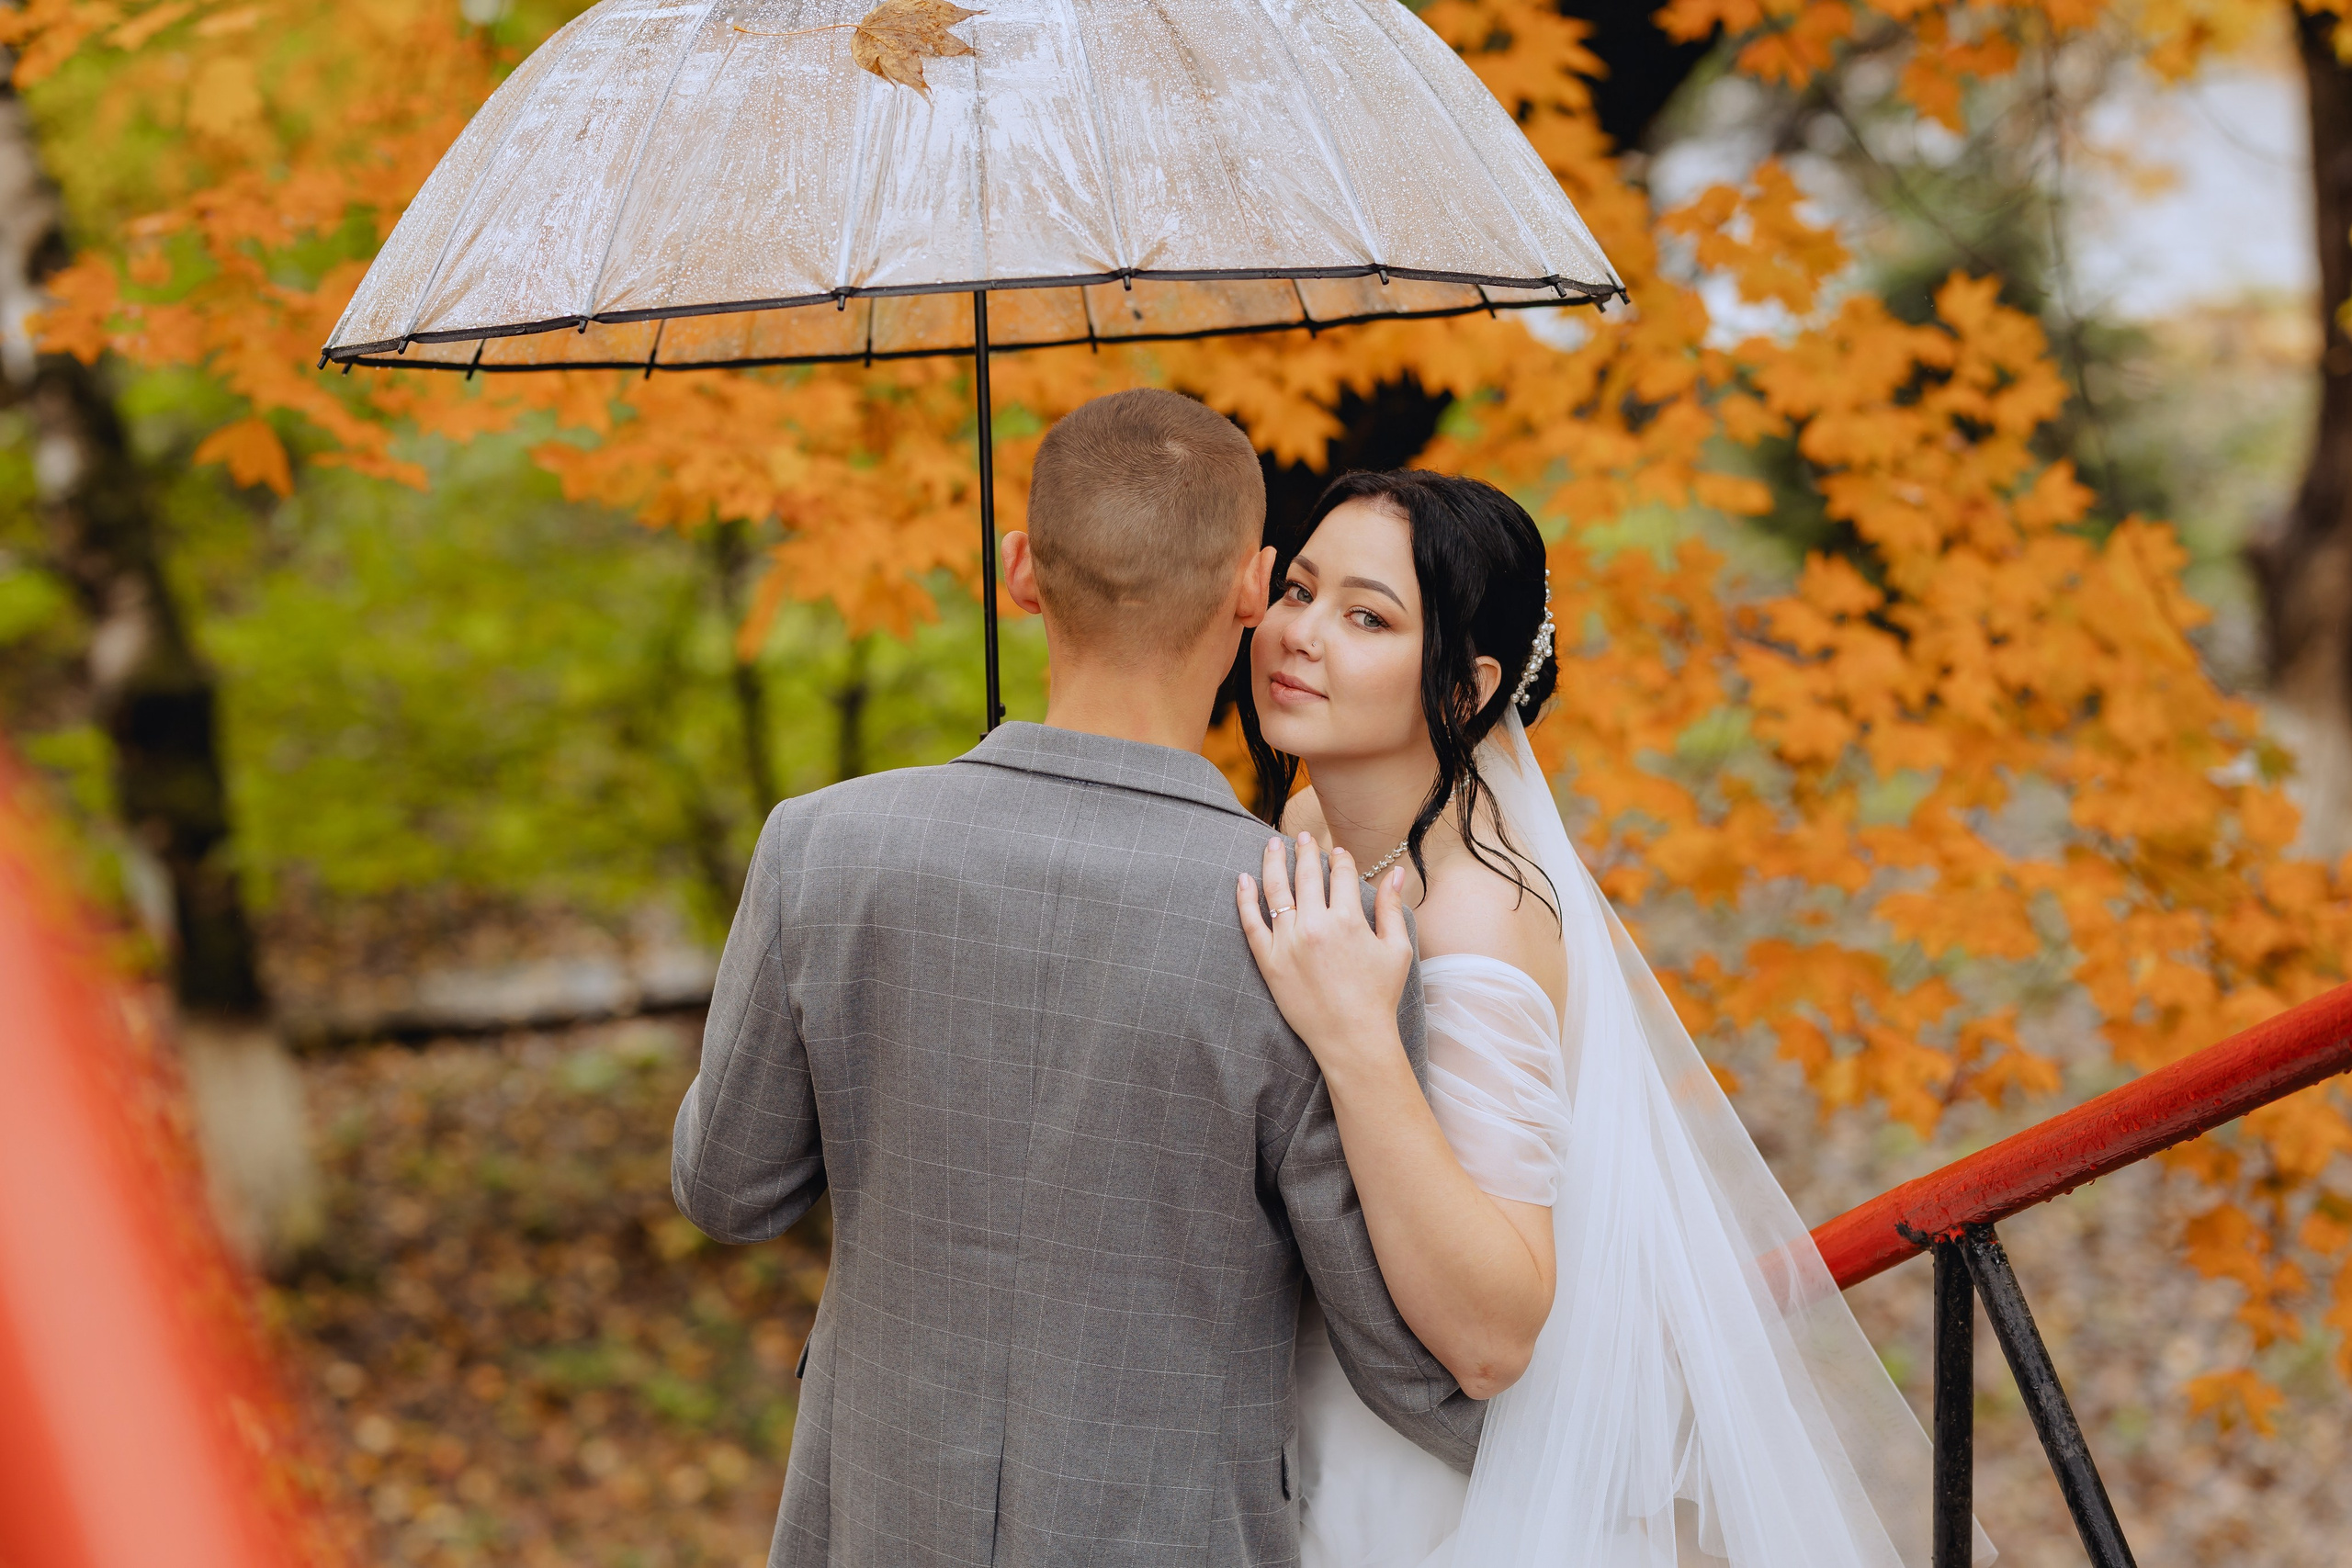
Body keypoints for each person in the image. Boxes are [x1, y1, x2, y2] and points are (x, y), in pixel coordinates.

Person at [671, 390, 1482, 1568]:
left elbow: (725, 1190)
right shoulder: (1317, 925)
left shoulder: (828, 847)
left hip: (873, 1517)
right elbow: (1404, 1359)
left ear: (1018, 572)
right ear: (1252, 591)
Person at [1233, 470, 1988, 1568]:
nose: (1299, 635)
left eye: (1366, 616)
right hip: (1301, 1412)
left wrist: (1355, 1038)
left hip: (1430, 1490)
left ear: (1465, 689)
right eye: (1297, 592)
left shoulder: (1481, 918)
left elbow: (1495, 1337)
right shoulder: (1311, 820)